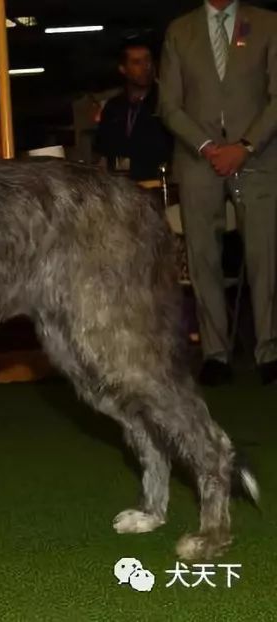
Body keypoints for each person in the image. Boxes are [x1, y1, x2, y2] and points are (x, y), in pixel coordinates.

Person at [160, 0, 277, 385]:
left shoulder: (268, 23)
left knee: (266, 256)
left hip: (258, 160)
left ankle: (269, 350)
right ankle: (214, 354)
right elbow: (170, 106)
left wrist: (244, 146)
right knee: (203, 259)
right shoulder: (180, 31)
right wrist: (208, 147)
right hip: (199, 162)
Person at [95, 41, 173, 181]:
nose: (146, 67)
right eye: (137, 62)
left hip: (159, 183)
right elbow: (103, 152)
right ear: (123, 69)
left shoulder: (167, 102)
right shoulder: (113, 107)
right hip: (122, 185)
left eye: (148, 60)